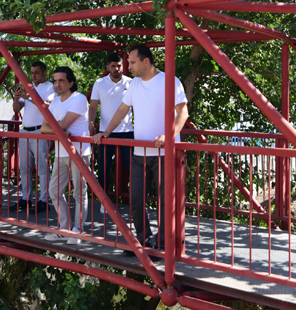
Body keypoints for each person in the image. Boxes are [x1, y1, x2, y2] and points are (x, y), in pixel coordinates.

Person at [94, 44, 188, 252]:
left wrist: (168, 136)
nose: (128, 67)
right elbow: (122, 110)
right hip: (140, 152)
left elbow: (183, 113)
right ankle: (143, 240)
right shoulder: (134, 84)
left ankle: (162, 244)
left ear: (146, 61)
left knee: (165, 202)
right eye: (128, 62)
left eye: (132, 62)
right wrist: (106, 132)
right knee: (136, 199)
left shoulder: (169, 80)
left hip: (164, 153)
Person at [41, 67, 91, 245]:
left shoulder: (79, 98)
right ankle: (65, 229)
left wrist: (57, 128)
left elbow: (61, 125)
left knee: (79, 192)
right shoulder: (54, 101)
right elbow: (44, 128)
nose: (57, 84)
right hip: (61, 151)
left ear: (71, 83)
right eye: (55, 81)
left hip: (79, 152)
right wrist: (58, 130)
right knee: (54, 191)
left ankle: (77, 231)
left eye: (61, 80)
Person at [88, 53, 134, 213]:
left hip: (127, 131)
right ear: (108, 67)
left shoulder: (131, 82)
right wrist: (91, 124)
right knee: (104, 168)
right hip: (105, 132)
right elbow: (93, 106)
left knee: (132, 168)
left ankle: (136, 202)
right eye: (113, 66)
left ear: (123, 66)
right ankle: (104, 202)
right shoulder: (99, 83)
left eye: (119, 66)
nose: (116, 69)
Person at [12, 61, 55, 211]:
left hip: (39, 131)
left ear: (44, 73)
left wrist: (28, 96)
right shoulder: (30, 87)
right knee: (24, 168)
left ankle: (43, 200)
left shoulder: (50, 87)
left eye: (36, 72)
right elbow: (17, 108)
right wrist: (17, 98)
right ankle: (26, 198)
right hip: (25, 131)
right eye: (32, 73)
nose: (33, 75)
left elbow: (48, 105)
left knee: (42, 167)